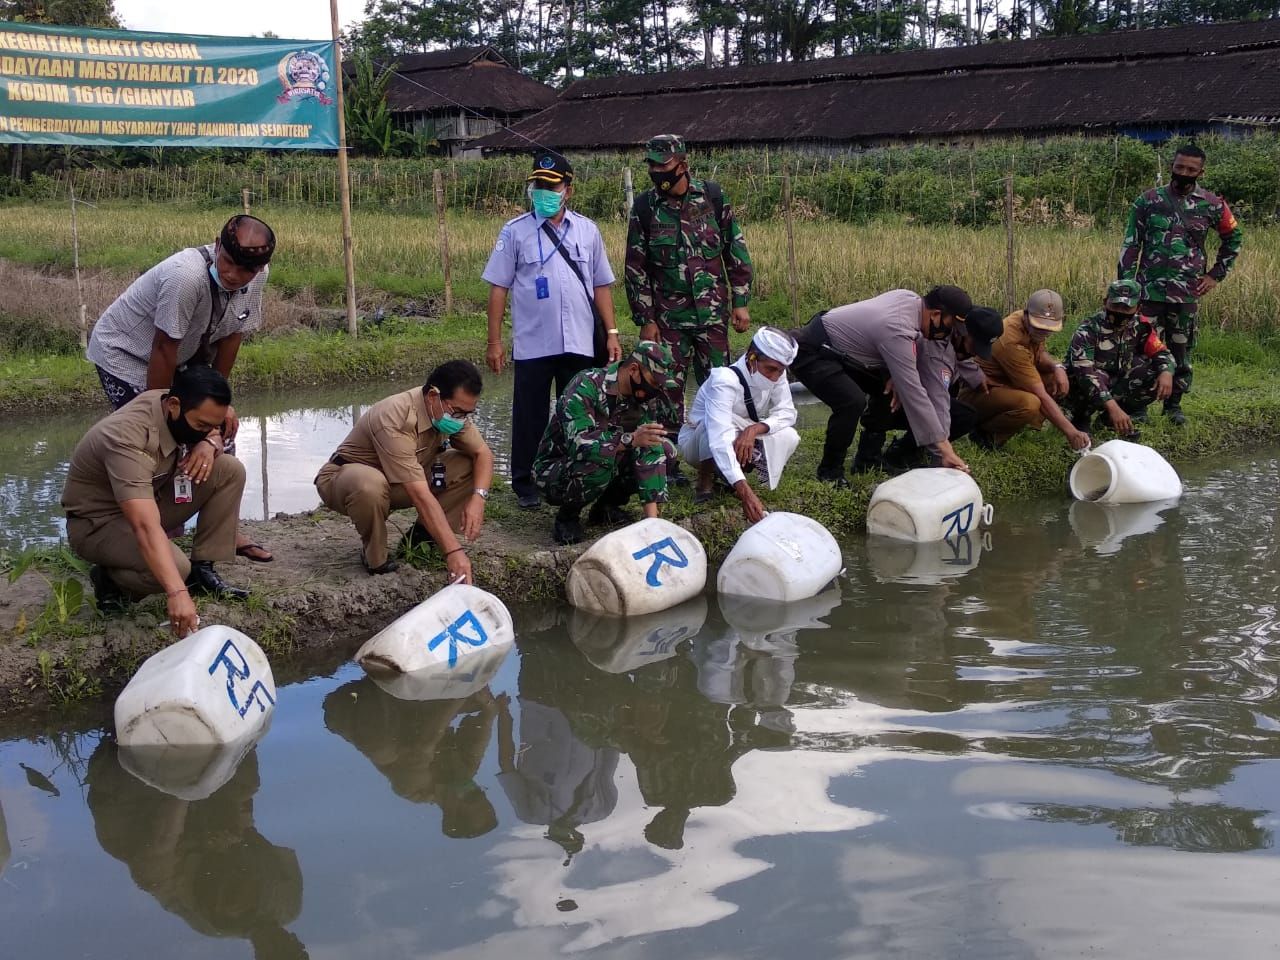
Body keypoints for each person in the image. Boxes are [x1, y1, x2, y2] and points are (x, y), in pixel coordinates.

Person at [86, 214, 276, 562]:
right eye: (228, 262)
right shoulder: (185, 277)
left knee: (222, 427)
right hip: (127, 353)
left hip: (185, 353)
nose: (234, 275)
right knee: (158, 438)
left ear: (261, 268)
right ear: (216, 246)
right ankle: (160, 530)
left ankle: (224, 529)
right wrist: (163, 416)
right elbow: (163, 348)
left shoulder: (258, 277)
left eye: (246, 270)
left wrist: (217, 406)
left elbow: (233, 336)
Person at [61, 365, 248, 637]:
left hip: (151, 499)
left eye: (213, 426)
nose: (206, 431)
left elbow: (212, 423)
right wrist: (177, 593)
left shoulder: (170, 401)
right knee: (176, 570)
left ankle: (203, 571)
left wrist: (209, 442)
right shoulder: (126, 437)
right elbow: (145, 527)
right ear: (174, 406)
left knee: (229, 470)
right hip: (98, 524)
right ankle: (110, 580)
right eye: (201, 426)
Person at [483, 148, 622, 510]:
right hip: (533, 342)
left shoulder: (588, 231)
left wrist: (612, 333)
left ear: (568, 190)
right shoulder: (515, 232)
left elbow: (601, 285)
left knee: (578, 413)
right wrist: (494, 342)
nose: (544, 193)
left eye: (552, 186)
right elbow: (498, 288)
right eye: (539, 186)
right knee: (529, 415)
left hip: (579, 340)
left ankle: (572, 477)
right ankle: (525, 484)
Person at [624, 133, 753, 481]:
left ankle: (720, 465)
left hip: (712, 317)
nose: (656, 172)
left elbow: (735, 249)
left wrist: (741, 301)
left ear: (682, 164)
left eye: (663, 165)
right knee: (665, 392)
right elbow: (636, 268)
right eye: (651, 166)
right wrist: (646, 319)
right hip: (668, 320)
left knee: (720, 389)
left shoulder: (712, 197)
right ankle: (667, 465)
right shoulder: (645, 208)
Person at [314, 360, 494, 580]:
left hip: (398, 482)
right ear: (433, 396)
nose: (461, 419)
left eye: (467, 413)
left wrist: (478, 498)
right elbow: (418, 493)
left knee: (469, 465)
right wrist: (454, 552)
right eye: (457, 412)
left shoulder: (450, 412)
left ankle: (420, 541)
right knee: (369, 484)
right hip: (345, 480)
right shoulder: (395, 415)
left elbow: (483, 454)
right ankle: (375, 558)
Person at [789, 285, 977, 482]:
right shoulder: (898, 329)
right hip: (812, 351)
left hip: (841, 353)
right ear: (936, 314)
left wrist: (895, 374)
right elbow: (914, 394)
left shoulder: (911, 301)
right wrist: (944, 448)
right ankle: (830, 473)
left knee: (888, 387)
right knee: (851, 402)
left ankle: (867, 459)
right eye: (950, 326)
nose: (948, 334)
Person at [1118, 143, 1243, 425]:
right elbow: (1131, 244)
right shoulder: (1148, 201)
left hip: (1186, 292)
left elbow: (1234, 238)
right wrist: (1127, 287)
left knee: (1181, 350)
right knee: (1139, 347)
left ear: (1201, 172)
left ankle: (1174, 406)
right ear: (1171, 166)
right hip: (1148, 290)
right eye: (1179, 167)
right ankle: (1137, 405)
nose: (1184, 173)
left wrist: (1215, 275)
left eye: (1190, 169)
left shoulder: (1212, 204)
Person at [534, 341, 681, 546]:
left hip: (606, 462)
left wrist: (652, 524)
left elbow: (650, 447)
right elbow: (581, 445)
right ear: (633, 370)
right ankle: (568, 516)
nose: (657, 389)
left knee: (665, 449)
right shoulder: (586, 385)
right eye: (654, 382)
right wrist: (629, 440)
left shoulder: (645, 399)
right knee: (600, 458)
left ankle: (606, 507)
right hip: (557, 469)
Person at [677, 326, 799, 522]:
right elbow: (719, 437)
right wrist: (746, 494)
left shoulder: (777, 373)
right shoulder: (724, 380)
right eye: (770, 369)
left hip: (739, 430)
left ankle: (732, 474)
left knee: (789, 435)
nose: (775, 377)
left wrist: (754, 429)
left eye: (781, 370)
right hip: (697, 443)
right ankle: (704, 484)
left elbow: (787, 412)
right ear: (752, 357)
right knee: (712, 423)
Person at [957, 290, 1091, 451]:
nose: (1044, 332)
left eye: (1049, 328)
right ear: (1027, 315)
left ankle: (1026, 424)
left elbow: (1039, 354)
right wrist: (1071, 432)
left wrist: (1057, 367)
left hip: (1007, 384)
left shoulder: (1028, 324)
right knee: (1030, 403)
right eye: (1039, 327)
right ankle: (985, 435)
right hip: (980, 393)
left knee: (1052, 378)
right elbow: (1040, 394)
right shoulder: (1011, 341)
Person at [874, 306, 1004, 471]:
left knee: (966, 415)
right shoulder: (937, 353)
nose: (975, 353)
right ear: (963, 332)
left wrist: (978, 378)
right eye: (975, 347)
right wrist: (944, 455)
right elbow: (939, 406)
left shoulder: (950, 335)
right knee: (952, 415)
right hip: (895, 400)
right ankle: (880, 455)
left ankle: (909, 449)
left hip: (916, 396)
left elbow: (961, 358)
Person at [1066, 279, 1176, 438]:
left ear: (1138, 308)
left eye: (1126, 308)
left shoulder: (1141, 326)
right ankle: (1081, 418)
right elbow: (1085, 374)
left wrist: (1167, 372)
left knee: (1151, 371)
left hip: (1117, 381)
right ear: (1105, 302)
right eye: (1115, 306)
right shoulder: (1089, 329)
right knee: (1097, 377)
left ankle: (1109, 420)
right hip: (1087, 385)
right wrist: (1112, 406)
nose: (1120, 312)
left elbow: (1161, 352)